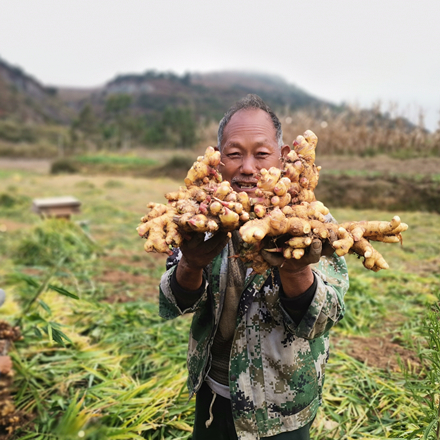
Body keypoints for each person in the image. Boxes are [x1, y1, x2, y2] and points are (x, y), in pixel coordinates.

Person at [159, 94, 349, 440]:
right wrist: (191, 264)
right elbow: (173, 302)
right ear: (217, 161)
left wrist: (296, 272)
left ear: (283, 156)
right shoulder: (202, 220)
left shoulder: (312, 224)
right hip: (213, 395)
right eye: (234, 153)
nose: (247, 167)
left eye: (261, 154)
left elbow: (326, 317)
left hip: (282, 411)